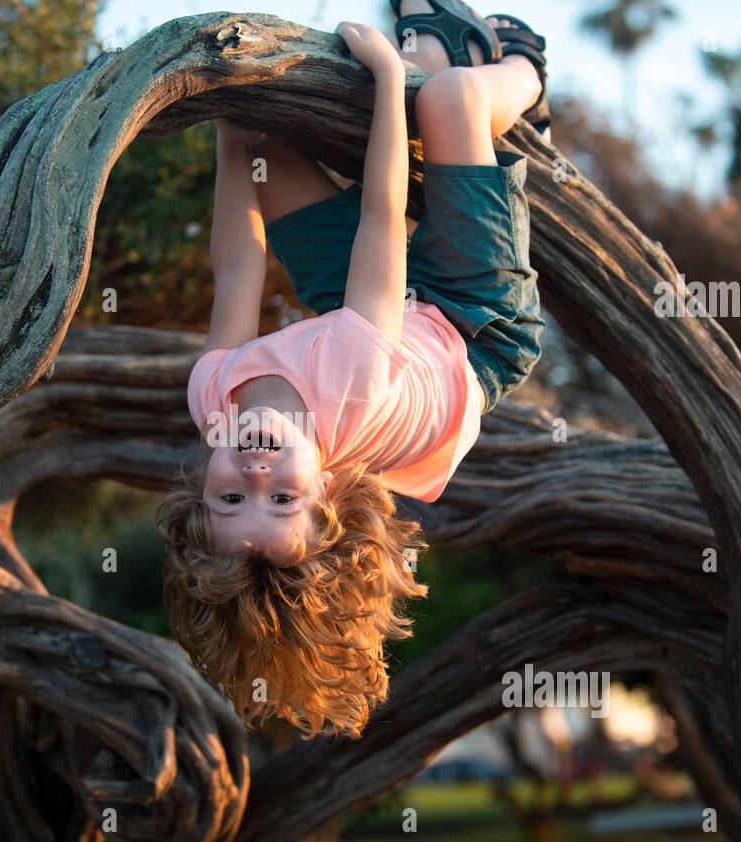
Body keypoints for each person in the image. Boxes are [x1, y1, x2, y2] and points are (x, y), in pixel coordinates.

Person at [159, 4, 548, 738]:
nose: (255, 469)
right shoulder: (351, 381)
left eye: (232, 497)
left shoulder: (212, 401)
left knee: (263, 139)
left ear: (199, 501)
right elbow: (381, 216)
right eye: (281, 501)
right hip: (472, 324)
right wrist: (384, 75)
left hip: (362, 307)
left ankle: (443, 47)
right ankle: (524, 69)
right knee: (446, 99)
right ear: (329, 492)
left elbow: (237, 266)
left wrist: (227, 130)